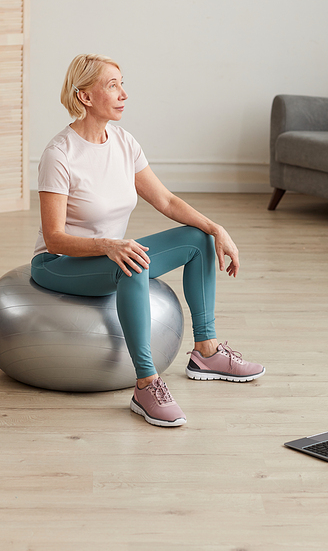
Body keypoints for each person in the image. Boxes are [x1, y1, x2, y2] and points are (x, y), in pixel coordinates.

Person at [31, 54, 264, 427]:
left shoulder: (123, 142)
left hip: (112, 256)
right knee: (134, 263)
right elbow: (56, 239)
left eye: (123, 83)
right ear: (85, 96)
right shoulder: (59, 154)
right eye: (112, 85)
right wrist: (109, 245)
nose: (124, 94)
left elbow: (167, 201)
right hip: (59, 264)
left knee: (197, 238)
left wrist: (216, 228)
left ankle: (206, 351)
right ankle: (146, 384)